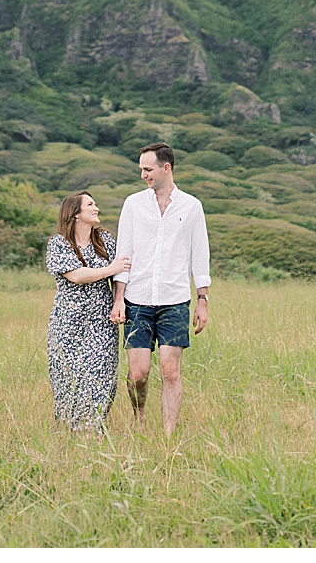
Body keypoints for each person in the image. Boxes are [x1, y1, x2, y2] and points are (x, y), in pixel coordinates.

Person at [110, 142, 210, 436]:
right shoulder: (133, 204)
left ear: (166, 168)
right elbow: (123, 254)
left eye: (148, 169)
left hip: (175, 300)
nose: (143, 174)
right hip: (137, 299)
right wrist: (119, 298)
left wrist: (202, 300)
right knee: (138, 373)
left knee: (170, 371)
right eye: (141, 169)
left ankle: (168, 435)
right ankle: (139, 418)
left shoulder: (191, 206)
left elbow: (199, 255)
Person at [45, 191, 131, 432]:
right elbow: (76, 275)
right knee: (66, 377)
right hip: (67, 322)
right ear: (75, 214)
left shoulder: (104, 240)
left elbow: (121, 272)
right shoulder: (59, 243)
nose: (96, 208)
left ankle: (94, 428)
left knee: (101, 375)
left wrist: (119, 300)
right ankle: (70, 430)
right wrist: (109, 269)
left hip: (102, 321)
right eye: (90, 204)